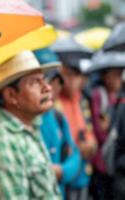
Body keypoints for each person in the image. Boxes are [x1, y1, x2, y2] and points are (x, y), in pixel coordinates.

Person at [0, 50, 61, 199]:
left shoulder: (28, 126)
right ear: (11, 95)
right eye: (34, 82)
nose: (47, 88)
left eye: (44, 79)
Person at [35, 48, 81, 199]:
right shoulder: (26, 120)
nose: (51, 90)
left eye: (57, 84)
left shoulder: (57, 116)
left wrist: (62, 171)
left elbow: (75, 154)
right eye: (47, 82)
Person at [54, 41, 97, 200]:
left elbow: (88, 129)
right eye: (68, 75)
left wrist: (92, 144)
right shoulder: (55, 101)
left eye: (77, 76)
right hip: (65, 168)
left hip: (83, 170)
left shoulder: (81, 99)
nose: (74, 81)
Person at [87, 51, 125, 200]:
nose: (118, 79)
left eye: (120, 74)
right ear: (105, 76)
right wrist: (109, 128)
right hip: (102, 159)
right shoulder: (98, 95)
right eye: (114, 75)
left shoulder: (116, 96)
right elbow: (99, 129)